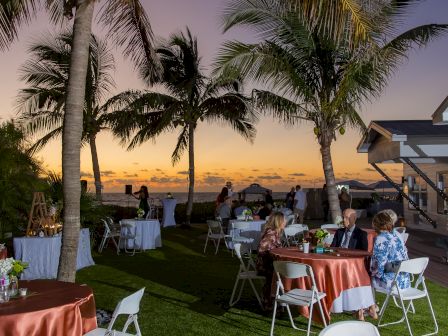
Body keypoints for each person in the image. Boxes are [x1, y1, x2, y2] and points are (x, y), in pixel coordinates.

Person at [362, 211, 410, 320]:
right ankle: (371, 307)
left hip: (393, 283)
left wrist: (369, 270)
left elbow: (378, 265)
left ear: (376, 224)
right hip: (405, 281)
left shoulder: (380, 238)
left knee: (365, 276)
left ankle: (371, 309)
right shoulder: (397, 234)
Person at [256, 212, 286, 310]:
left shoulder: (275, 232)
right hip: (266, 265)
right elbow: (261, 249)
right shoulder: (271, 233)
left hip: (271, 263)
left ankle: (278, 300)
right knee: (284, 272)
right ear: (279, 222)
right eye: (284, 220)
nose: (285, 222)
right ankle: (272, 302)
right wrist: (271, 255)